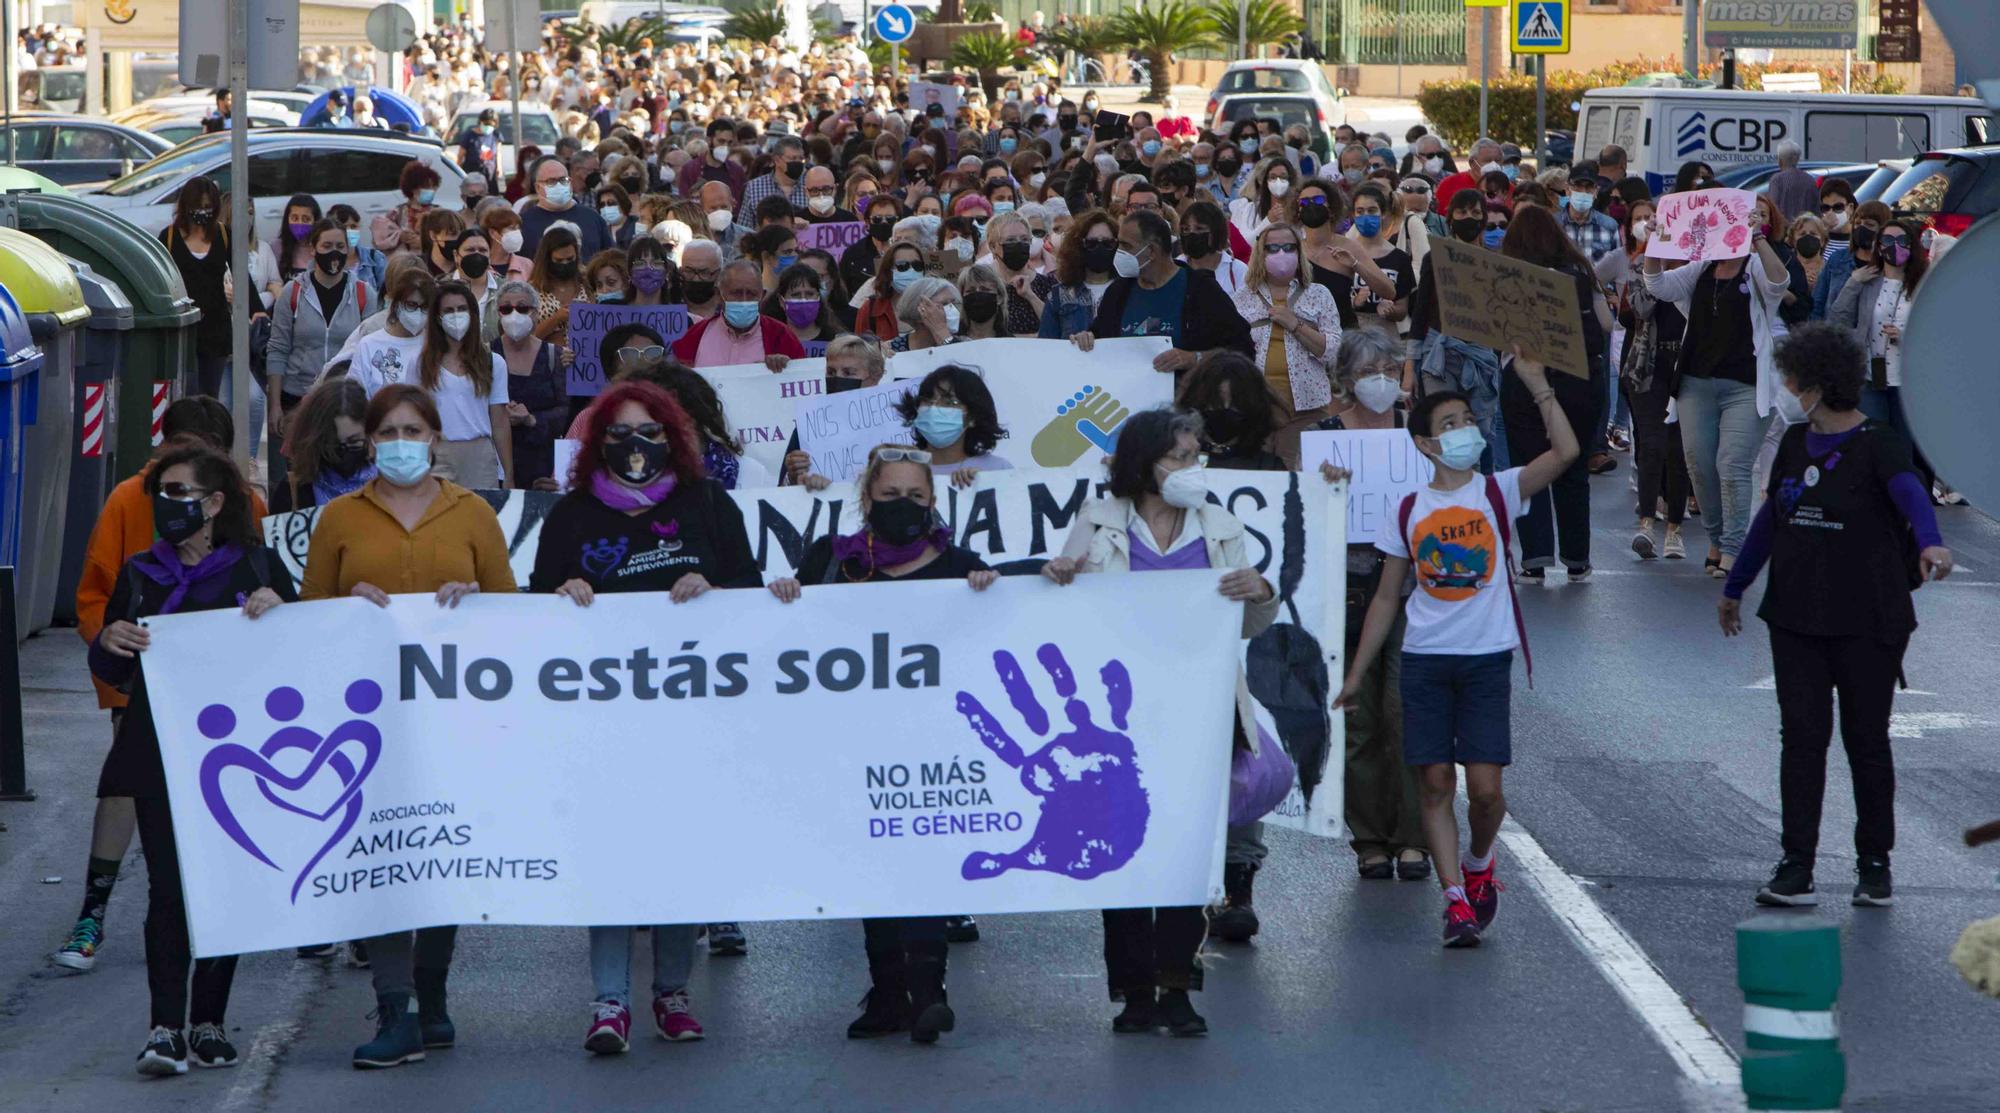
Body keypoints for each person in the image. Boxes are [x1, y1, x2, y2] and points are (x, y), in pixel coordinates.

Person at [532, 379, 763, 1054]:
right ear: (597, 442)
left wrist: (713, 591)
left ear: (675, 437)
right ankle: (609, 1001)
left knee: (677, 855)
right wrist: (561, 593)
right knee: (612, 860)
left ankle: (670, 991)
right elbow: (532, 614)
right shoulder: (571, 516)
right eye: (620, 432)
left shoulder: (709, 505)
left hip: (692, 715)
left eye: (650, 431)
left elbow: (747, 594)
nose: (636, 445)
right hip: (602, 719)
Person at [1040, 407, 1278, 1034]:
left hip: (1199, 712)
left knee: (1186, 852)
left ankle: (1177, 985)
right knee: (1122, 849)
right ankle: (1134, 990)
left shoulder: (1220, 525)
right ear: (1143, 462)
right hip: (1119, 722)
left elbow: (1245, 629)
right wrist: (1061, 577)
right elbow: (1069, 619)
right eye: (1177, 457)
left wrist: (1259, 593)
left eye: (1194, 457)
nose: (1188, 468)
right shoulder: (1097, 521)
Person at [300, 384, 517, 1069]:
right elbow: (309, 618)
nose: (399, 440)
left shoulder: (473, 513)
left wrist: (476, 601)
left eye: (412, 428)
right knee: (383, 857)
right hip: (367, 721)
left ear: (433, 438)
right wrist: (347, 604)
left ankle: (432, 989)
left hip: (453, 715)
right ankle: (396, 1006)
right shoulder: (339, 516)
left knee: (439, 849)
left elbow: (513, 613)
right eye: (387, 429)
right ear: (371, 440)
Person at [1340, 355, 1579, 948]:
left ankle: (1478, 863)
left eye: (1467, 419)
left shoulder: (1497, 491)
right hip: (1424, 661)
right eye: (1448, 424)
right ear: (1424, 443)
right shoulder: (1409, 509)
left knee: (1488, 791)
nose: (1462, 430)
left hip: (1485, 661)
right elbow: (1388, 599)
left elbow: (1566, 454)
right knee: (1436, 783)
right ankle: (1455, 902)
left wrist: (1537, 384)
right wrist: (1355, 674)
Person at [763, 445, 998, 1042]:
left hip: (932, 740)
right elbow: (796, 637)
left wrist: (987, 588)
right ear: (867, 500)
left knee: (922, 860)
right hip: (855, 738)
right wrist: (789, 596)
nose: (903, 506)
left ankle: (928, 991)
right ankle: (888, 993)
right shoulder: (830, 560)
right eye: (890, 496)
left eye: (916, 497)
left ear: (934, 502)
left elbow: (991, 633)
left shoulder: (958, 563)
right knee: (872, 864)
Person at [1720, 323, 1951, 908]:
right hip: (1796, 615)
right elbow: (1772, 518)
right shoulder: (1796, 445)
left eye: (1794, 377)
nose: (1789, 386)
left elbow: (1911, 495)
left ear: (1819, 383)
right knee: (1801, 738)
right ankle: (1796, 865)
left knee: (1866, 740)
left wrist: (1931, 542)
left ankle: (1875, 864)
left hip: (1870, 618)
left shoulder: (1879, 443)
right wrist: (1736, 584)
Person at [90, 440, 295, 1075]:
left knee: (223, 889)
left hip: (235, 761)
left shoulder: (256, 570)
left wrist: (281, 613)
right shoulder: (140, 574)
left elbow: (301, 658)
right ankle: (163, 1028)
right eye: (162, 493)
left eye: (179, 492)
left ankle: (208, 1021)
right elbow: (111, 672)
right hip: (156, 753)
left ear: (214, 503)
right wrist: (111, 640)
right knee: (169, 891)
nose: (166, 504)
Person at [56, 399, 269, 975]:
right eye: (172, 453)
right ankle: (92, 914)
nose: (177, 472)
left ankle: (264, 910)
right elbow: (96, 593)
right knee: (125, 787)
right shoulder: (129, 497)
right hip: (146, 687)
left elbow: (268, 590)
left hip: (228, 696)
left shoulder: (249, 506)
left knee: (237, 793)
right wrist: (113, 654)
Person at [1317, 329, 1430, 882]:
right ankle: (1369, 839)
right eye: (1368, 373)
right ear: (1346, 382)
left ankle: (1414, 836)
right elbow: (1307, 517)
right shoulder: (1326, 438)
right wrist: (1325, 486)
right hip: (1349, 588)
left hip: (1413, 591)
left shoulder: (1417, 436)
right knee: (1357, 718)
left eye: (1389, 369)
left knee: (1405, 711)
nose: (1381, 381)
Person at [1644, 205, 1791, 578]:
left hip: (1747, 386)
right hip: (1696, 384)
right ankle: (1716, 538)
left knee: (1732, 465)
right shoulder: (1702, 269)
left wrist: (1757, 239)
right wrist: (1656, 242)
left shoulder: (1755, 266)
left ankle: (1732, 549)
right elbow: (1657, 285)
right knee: (1700, 465)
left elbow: (1779, 282)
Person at [1500, 205, 1613, 580]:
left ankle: (1535, 558)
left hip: (1524, 377)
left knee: (1529, 466)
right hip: (1580, 378)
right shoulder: (1582, 272)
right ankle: (1577, 558)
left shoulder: (1508, 276)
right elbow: (1607, 324)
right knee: (1573, 467)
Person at [267, 218, 374, 492]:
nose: (334, 252)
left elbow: (370, 348)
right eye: (326, 245)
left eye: (340, 245)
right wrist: (276, 404)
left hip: (344, 401)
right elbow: (278, 348)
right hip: (297, 396)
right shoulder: (293, 293)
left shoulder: (363, 294)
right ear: (313, 249)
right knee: (298, 478)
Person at [1074, 211, 1252, 373]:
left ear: (1151, 251)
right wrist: (1087, 339)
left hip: (1186, 403)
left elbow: (1243, 349)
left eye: (1126, 246)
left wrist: (1194, 358)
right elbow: (1100, 336)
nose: (1118, 252)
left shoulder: (1200, 290)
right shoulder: (1118, 292)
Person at [1617, 199, 1691, 562]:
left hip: (1686, 368)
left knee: (1679, 451)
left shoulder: (1697, 269)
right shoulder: (1639, 265)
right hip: (1647, 368)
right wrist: (1655, 258)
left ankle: (1674, 528)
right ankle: (1647, 522)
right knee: (1653, 446)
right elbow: (1644, 308)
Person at [1231, 222, 1337, 466]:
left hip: (1307, 410)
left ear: (1299, 252)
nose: (1281, 254)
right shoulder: (1243, 297)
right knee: (1260, 478)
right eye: (1273, 248)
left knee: (1301, 480)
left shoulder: (1319, 294)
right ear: (1261, 252)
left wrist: (1295, 325)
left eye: (1289, 247)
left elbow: (1333, 351)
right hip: (1256, 411)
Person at [1830, 215, 1927, 444]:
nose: (1895, 247)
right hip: (1871, 377)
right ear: (1879, 245)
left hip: (1909, 383)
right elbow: (1837, 319)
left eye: (1902, 241)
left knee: (1905, 447)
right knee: (1875, 443)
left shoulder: (1923, 284)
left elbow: (1935, 334)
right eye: (1888, 240)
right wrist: (1853, 282)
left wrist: (1905, 336)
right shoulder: (1869, 281)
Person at [417, 280, 514, 488]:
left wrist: (508, 474)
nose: (456, 315)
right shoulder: (421, 364)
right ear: (437, 317)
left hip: (479, 455)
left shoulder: (493, 362)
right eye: (449, 310)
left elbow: (500, 422)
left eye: (462, 309)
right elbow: (415, 417)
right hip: (436, 452)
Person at [783, 335, 888, 490]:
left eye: (848, 373)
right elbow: (780, 492)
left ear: (874, 377)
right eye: (831, 372)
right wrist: (792, 476)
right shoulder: (809, 426)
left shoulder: (893, 423)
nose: (837, 378)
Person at [159, 176, 230, 397]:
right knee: (187, 393)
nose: (202, 211)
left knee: (210, 395)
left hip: (216, 331)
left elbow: (242, 276)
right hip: (184, 331)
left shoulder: (224, 235)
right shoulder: (169, 237)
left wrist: (254, 310)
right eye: (197, 206)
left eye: (208, 207)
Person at [493, 280, 566, 488]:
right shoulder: (486, 354)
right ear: (499, 314)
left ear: (535, 313)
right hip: (497, 462)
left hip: (542, 464)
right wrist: (499, 415)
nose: (514, 314)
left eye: (522, 308)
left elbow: (565, 410)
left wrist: (531, 419)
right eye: (506, 308)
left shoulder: (554, 356)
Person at [670, 259, 806, 371]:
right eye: (736, 293)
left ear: (762, 296)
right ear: (719, 295)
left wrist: (788, 368)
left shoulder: (781, 337)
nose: (744, 300)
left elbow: (801, 382)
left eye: (752, 294)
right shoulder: (696, 336)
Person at [1317, 182, 1413, 333]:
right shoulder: (1340, 253)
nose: (1365, 216)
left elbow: (1402, 309)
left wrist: (1391, 311)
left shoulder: (1399, 258)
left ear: (1383, 213)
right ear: (1353, 215)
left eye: (1372, 210)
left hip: (1386, 335)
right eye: (1360, 211)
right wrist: (1354, 303)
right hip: (1349, 333)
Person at [893, 365, 1011, 485]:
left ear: (972, 417)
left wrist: (981, 485)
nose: (934, 408)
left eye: (949, 402)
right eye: (927, 400)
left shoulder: (998, 470)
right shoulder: (895, 472)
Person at [347, 267, 435, 396]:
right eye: (411, 305)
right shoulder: (368, 345)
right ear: (396, 303)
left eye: (425, 307)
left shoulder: (436, 345)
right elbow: (354, 398)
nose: (418, 313)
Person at [1036, 207, 1117, 338]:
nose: (1099, 248)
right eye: (1091, 243)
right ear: (1078, 246)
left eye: (1108, 243)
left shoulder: (1128, 292)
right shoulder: (1058, 296)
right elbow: (1047, 347)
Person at [521, 154, 610, 259]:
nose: (558, 185)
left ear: (570, 183)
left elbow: (608, 257)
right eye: (551, 181)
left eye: (563, 180)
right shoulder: (524, 223)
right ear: (537, 187)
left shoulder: (592, 218)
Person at [858, 239, 930, 340]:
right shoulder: (870, 309)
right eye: (902, 266)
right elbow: (860, 351)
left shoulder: (935, 306)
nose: (911, 271)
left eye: (917, 265)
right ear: (888, 272)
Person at [372, 161, 441, 258]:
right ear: (413, 188)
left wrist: (425, 242)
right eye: (426, 187)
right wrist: (400, 236)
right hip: (402, 265)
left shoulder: (439, 213)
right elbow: (380, 238)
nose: (431, 190)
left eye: (434, 187)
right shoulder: (397, 213)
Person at [448, 227, 502, 342]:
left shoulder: (505, 290)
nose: (477, 255)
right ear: (456, 255)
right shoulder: (440, 288)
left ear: (490, 255)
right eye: (470, 250)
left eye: (482, 250)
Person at [1227, 156, 1294, 248]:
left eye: (1283, 177)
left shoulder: (1299, 209)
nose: (1278, 181)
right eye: (1273, 177)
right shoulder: (1250, 209)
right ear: (1266, 182)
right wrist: (1268, 221)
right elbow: (1244, 243)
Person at [891, 275, 963, 352]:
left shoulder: (965, 344)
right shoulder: (892, 350)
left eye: (953, 303)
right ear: (920, 310)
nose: (952, 309)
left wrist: (944, 334)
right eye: (944, 304)